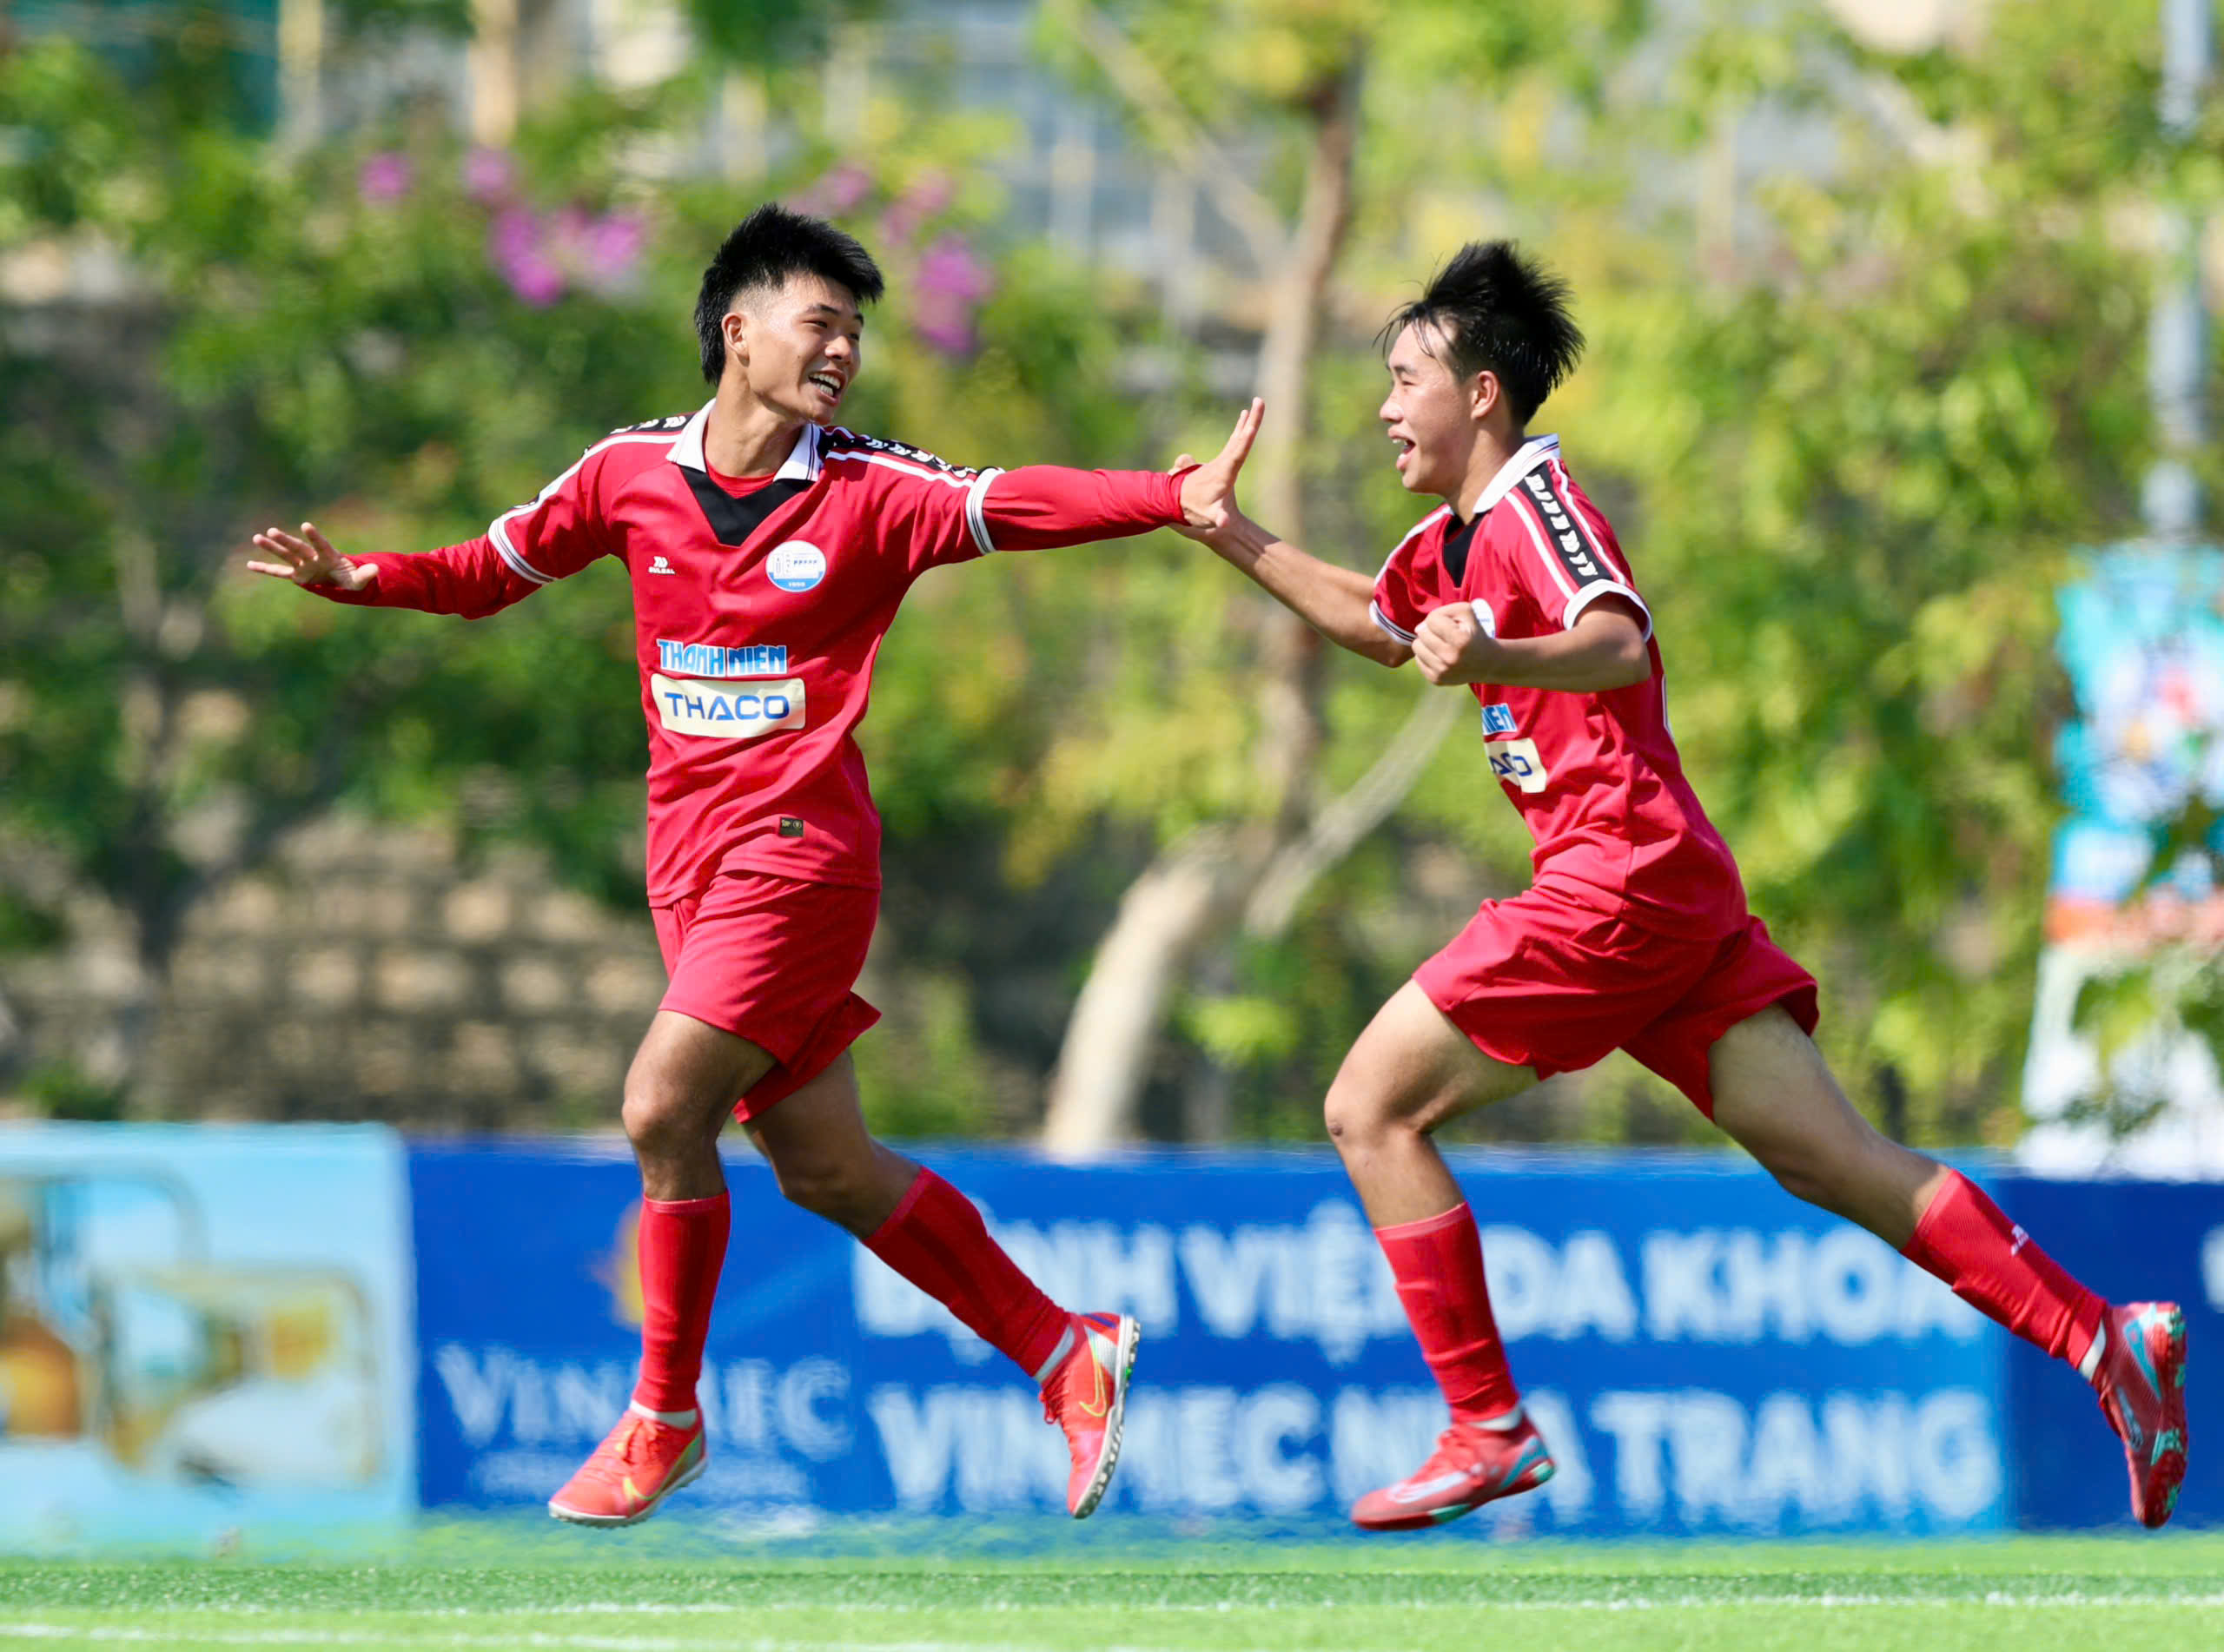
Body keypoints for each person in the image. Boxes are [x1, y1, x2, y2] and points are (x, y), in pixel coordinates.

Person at [248, 203, 1262, 1528]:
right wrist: (359, 578)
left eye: (856, 332)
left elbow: (1004, 501)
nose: (842, 351)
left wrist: (1165, 498)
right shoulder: (627, 473)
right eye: (820, 322)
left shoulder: (867, 492)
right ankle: (1064, 1352)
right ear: (738, 331)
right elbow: (492, 568)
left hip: (802, 859)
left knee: (662, 1105)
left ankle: (662, 1417)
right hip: (691, 868)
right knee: (825, 1162)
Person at [1177, 240, 2188, 1532]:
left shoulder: (1539, 509)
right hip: (1669, 894)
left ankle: (1487, 1425)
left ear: (1481, 392)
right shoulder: (1449, 540)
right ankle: (2108, 1342)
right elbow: (1378, 623)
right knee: (1835, 1161)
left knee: (1368, 1108)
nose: (1385, 405)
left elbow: (1616, 639)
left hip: (1619, 879)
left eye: (1405, 376)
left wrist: (1498, 645)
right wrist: (1229, 531)